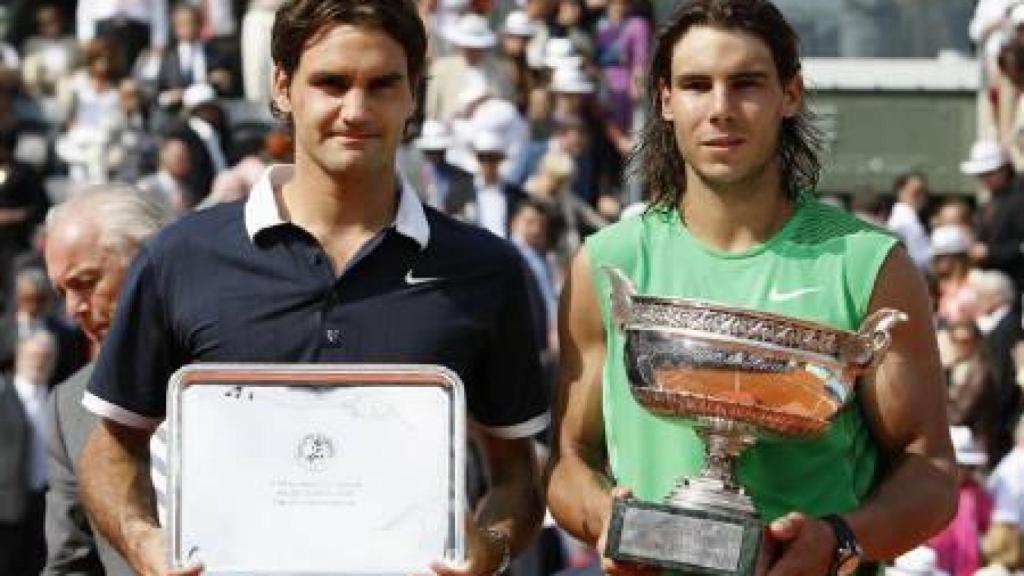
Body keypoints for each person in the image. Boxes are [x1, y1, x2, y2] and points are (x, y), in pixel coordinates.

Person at [77, 3, 549, 576]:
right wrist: (143, 541)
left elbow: (516, 473)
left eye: (382, 85)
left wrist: (491, 547)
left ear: (413, 94)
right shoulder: (180, 258)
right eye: (331, 83)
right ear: (282, 85)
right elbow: (111, 449)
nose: (356, 110)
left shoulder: (485, 269)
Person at [545, 2, 956, 576]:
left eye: (746, 84)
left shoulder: (867, 263)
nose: (720, 109)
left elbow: (930, 470)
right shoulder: (608, 261)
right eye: (696, 85)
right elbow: (568, 462)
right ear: (664, 100)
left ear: (791, 95)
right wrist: (607, 520)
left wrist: (839, 539)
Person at [42, 185, 168, 576]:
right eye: (62, 291)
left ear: (150, 262)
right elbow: (69, 565)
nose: (73, 308)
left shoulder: (236, 369)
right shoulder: (70, 405)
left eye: (85, 282)